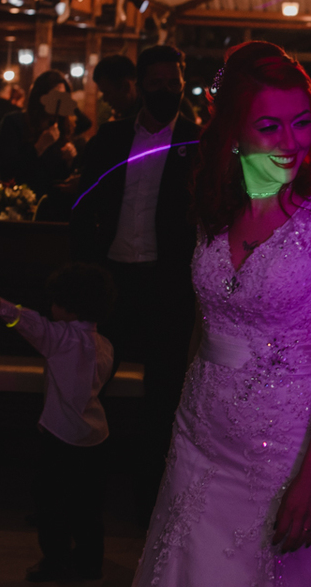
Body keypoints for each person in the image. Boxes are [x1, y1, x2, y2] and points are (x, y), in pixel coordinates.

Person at [133, 41, 311, 586]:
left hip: (286, 445)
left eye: (301, 123)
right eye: (269, 126)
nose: (291, 141)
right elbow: (204, 325)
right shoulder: (215, 206)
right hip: (199, 434)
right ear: (234, 131)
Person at [70, 45, 200, 525]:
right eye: (158, 82)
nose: (167, 90)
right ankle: (83, 497)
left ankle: (150, 502)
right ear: (141, 84)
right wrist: (83, 273)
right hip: (113, 279)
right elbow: (84, 204)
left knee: (162, 396)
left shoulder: (197, 142)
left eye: (174, 82)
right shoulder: (110, 138)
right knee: (90, 387)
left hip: (167, 282)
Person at [0, 264, 115, 582]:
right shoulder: (106, 345)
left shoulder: (59, 338)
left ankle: (56, 561)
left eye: (55, 302)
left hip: (60, 437)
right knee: (88, 506)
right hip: (96, 437)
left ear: (68, 307)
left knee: (51, 503)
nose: (50, 308)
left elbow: (22, 320)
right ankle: (90, 564)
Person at [0, 70, 78, 197]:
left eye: (63, 97)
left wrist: (70, 160)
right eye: (55, 96)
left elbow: (62, 177)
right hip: (21, 199)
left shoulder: (63, 126)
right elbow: (8, 170)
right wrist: (39, 147)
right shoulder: (14, 122)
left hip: (53, 201)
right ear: (40, 97)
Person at [93, 54, 139, 122]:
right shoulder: (131, 114)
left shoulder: (146, 119)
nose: (105, 99)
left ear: (126, 86)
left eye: (107, 92)